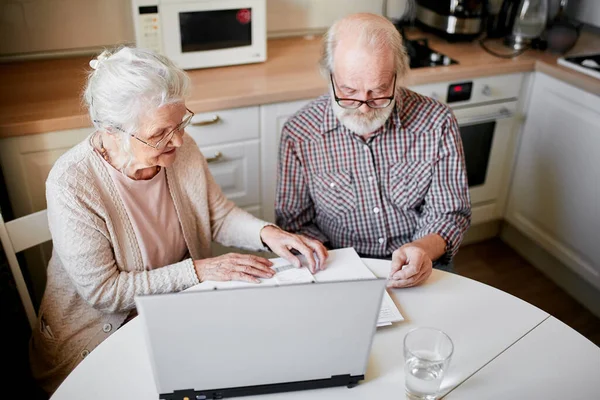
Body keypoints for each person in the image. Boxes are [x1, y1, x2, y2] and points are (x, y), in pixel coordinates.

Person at [29, 47, 328, 395]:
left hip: (171, 314)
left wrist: (269, 234)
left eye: (182, 122)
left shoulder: (180, 150)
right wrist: (199, 271)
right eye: (160, 133)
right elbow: (104, 293)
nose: (179, 140)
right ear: (111, 132)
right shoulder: (72, 183)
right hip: (96, 341)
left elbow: (215, 215)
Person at [275, 13, 471, 289]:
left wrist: (422, 251)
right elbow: (295, 222)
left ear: (397, 74)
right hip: (338, 268)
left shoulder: (436, 121)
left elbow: (449, 212)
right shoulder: (300, 133)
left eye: (378, 92)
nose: (364, 107)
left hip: (421, 263)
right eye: (348, 91)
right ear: (329, 74)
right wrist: (335, 266)